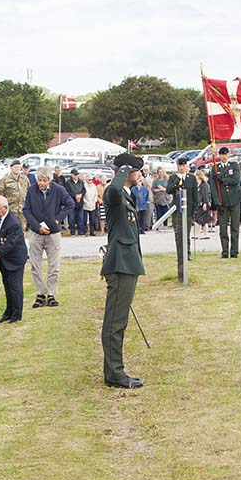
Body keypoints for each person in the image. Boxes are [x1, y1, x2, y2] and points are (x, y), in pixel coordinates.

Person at [101, 153, 146, 389]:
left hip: (128, 263)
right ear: (127, 172)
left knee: (120, 321)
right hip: (120, 264)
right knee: (115, 323)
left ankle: (114, 370)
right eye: (136, 171)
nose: (139, 175)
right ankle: (115, 373)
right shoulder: (114, 192)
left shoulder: (127, 195)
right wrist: (122, 171)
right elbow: (114, 191)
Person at [22, 166, 73, 308]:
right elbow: (26, 209)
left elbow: (70, 204)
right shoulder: (32, 190)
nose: (42, 183)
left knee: (54, 266)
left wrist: (57, 219)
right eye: (39, 180)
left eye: (44, 180)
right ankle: (40, 294)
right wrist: (37, 226)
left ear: (50, 180)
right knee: (35, 265)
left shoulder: (59, 190)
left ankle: (51, 294)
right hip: (36, 232)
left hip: (53, 233)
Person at [0, 196, 27, 323]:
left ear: (4, 208)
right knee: (7, 286)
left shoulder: (13, 222)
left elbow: (10, 244)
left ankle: (16, 314)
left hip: (15, 259)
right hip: (4, 259)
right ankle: (9, 311)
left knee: (15, 287)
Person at [210, 146, 241, 258]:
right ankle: (225, 251)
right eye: (221, 154)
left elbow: (236, 180)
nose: (224, 156)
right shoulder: (215, 168)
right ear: (219, 156)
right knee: (223, 228)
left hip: (234, 200)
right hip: (222, 201)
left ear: (228, 155)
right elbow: (213, 186)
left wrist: (223, 179)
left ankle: (234, 251)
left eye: (225, 154)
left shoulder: (234, 165)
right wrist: (217, 201)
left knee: (234, 227)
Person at [167, 157, 197, 263]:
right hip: (177, 211)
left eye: (183, 166)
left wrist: (194, 210)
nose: (182, 168)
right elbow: (168, 190)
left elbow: (194, 196)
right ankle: (180, 254)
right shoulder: (173, 177)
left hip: (188, 209)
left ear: (186, 166)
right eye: (180, 166)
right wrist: (176, 182)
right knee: (178, 234)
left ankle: (187, 253)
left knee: (186, 233)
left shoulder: (191, 178)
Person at [64, 169, 87, 236]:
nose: (76, 176)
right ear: (72, 175)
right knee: (71, 218)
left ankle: (80, 232)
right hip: (71, 203)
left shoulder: (81, 182)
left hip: (80, 202)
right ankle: (72, 232)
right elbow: (67, 192)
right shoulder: (68, 182)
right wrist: (75, 196)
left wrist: (80, 195)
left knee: (81, 218)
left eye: (77, 174)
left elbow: (84, 190)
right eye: (75, 174)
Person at [194, 169, 213, 238]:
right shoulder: (197, 185)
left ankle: (205, 234)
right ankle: (198, 234)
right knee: (198, 220)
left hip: (204, 204)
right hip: (198, 204)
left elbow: (205, 195)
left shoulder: (204, 185)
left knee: (202, 220)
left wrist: (205, 203)